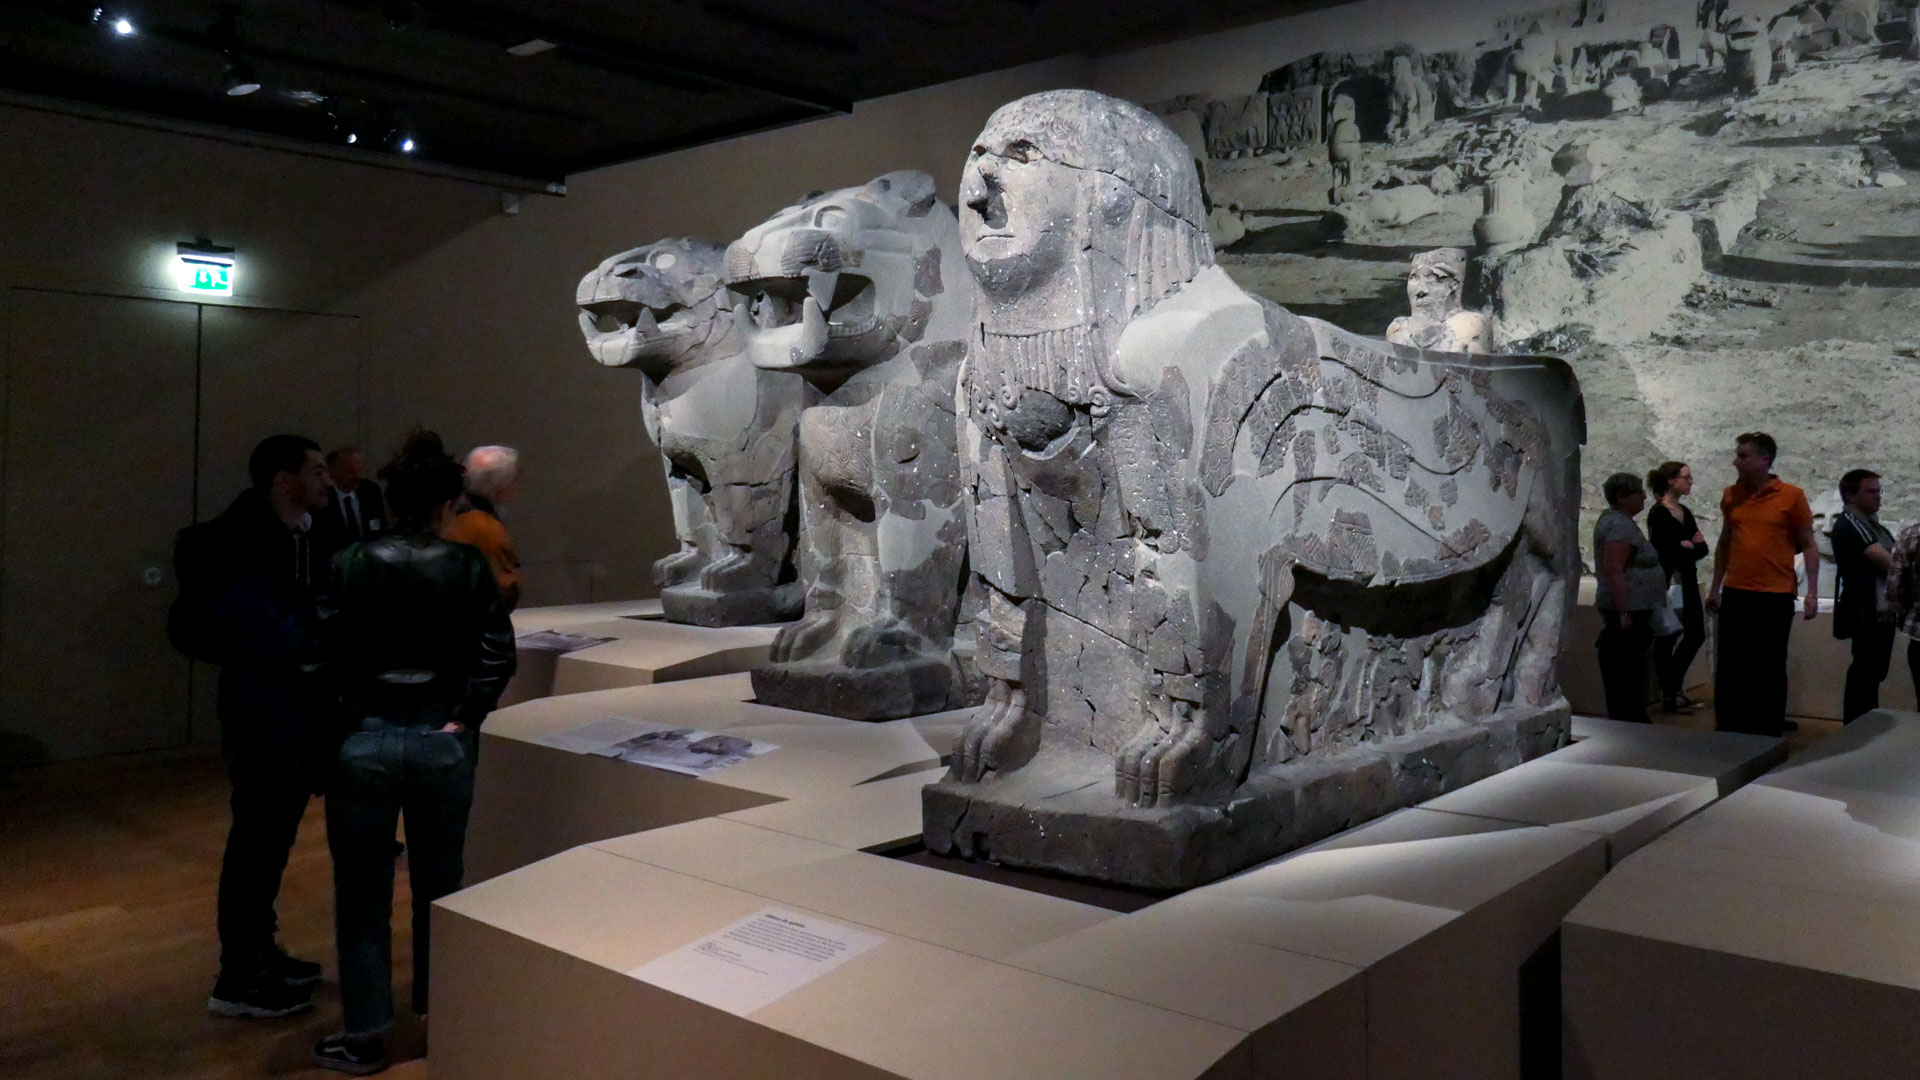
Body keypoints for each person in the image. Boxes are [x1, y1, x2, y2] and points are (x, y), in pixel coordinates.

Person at [311, 430, 516, 1075]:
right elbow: (496, 653)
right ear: (446, 503)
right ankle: (438, 1016)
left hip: (363, 739)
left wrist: (340, 726)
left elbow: (318, 658)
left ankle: (366, 1034)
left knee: (361, 892)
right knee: (440, 885)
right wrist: (465, 715)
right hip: (440, 739)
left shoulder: (350, 561)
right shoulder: (465, 565)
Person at [169, 434, 332, 1018]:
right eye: (316, 471)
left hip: (283, 712)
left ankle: (259, 953)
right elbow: (273, 638)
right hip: (264, 715)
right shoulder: (242, 548)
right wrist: (322, 624)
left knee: (268, 844)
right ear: (284, 480)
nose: (326, 481)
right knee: (256, 847)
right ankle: (239, 977)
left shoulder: (291, 537)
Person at [1705, 432, 1818, 736]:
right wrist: (1715, 587)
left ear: (1764, 460)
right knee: (1731, 662)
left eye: (1743, 456)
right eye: (1737, 455)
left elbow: (1809, 543)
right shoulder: (1731, 495)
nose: (1736, 461)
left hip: (1775, 593)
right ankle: (1729, 726)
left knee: (1769, 664)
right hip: (1737, 590)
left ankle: (1767, 728)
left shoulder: (1791, 496)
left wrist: (1812, 592)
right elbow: (1726, 541)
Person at [1593, 472, 1668, 723]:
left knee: (1630, 669)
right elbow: (1615, 569)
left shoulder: (1619, 522)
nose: (1644, 496)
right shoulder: (1619, 526)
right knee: (1627, 670)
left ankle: (1630, 716)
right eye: (1638, 492)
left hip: (1633, 609)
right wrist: (1624, 610)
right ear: (1622, 496)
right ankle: (1629, 719)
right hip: (1628, 611)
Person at [1831, 469, 1895, 721]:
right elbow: (1889, 563)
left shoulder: (1871, 524)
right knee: (1865, 674)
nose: (1878, 496)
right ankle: (1858, 726)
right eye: (1870, 491)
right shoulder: (1854, 525)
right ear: (1850, 495)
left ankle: (1865, 724)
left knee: (1872, 674)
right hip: (1865, 612)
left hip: (1878, 611)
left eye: (1878, 491)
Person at [1647, 461, 1709, 713]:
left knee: (1696, 634)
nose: (1690, 482)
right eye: (1686, 477)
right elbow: (1665, 550)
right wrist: (1688, 546)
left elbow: (1702, 549)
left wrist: (1689, 546)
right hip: (1668, 584)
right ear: (1672, 480)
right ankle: (1670, 694)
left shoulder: (1685, 512)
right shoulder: (1659, 513)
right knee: (1667, 637)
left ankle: (1672, 687)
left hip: (1688, 582)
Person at [445, 444, 523, 611]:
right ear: (500, 486)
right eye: (515, 478)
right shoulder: (486, 528)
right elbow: (501, 588)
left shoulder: (452, 516)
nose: (517, 484)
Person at [315, 445, 388, 558]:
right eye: (350, 471)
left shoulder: (370, 490)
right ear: (332, 471)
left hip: (369, 558)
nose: (357, 476)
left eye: (360, 470)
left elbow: (379, 527)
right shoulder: (322, 496)